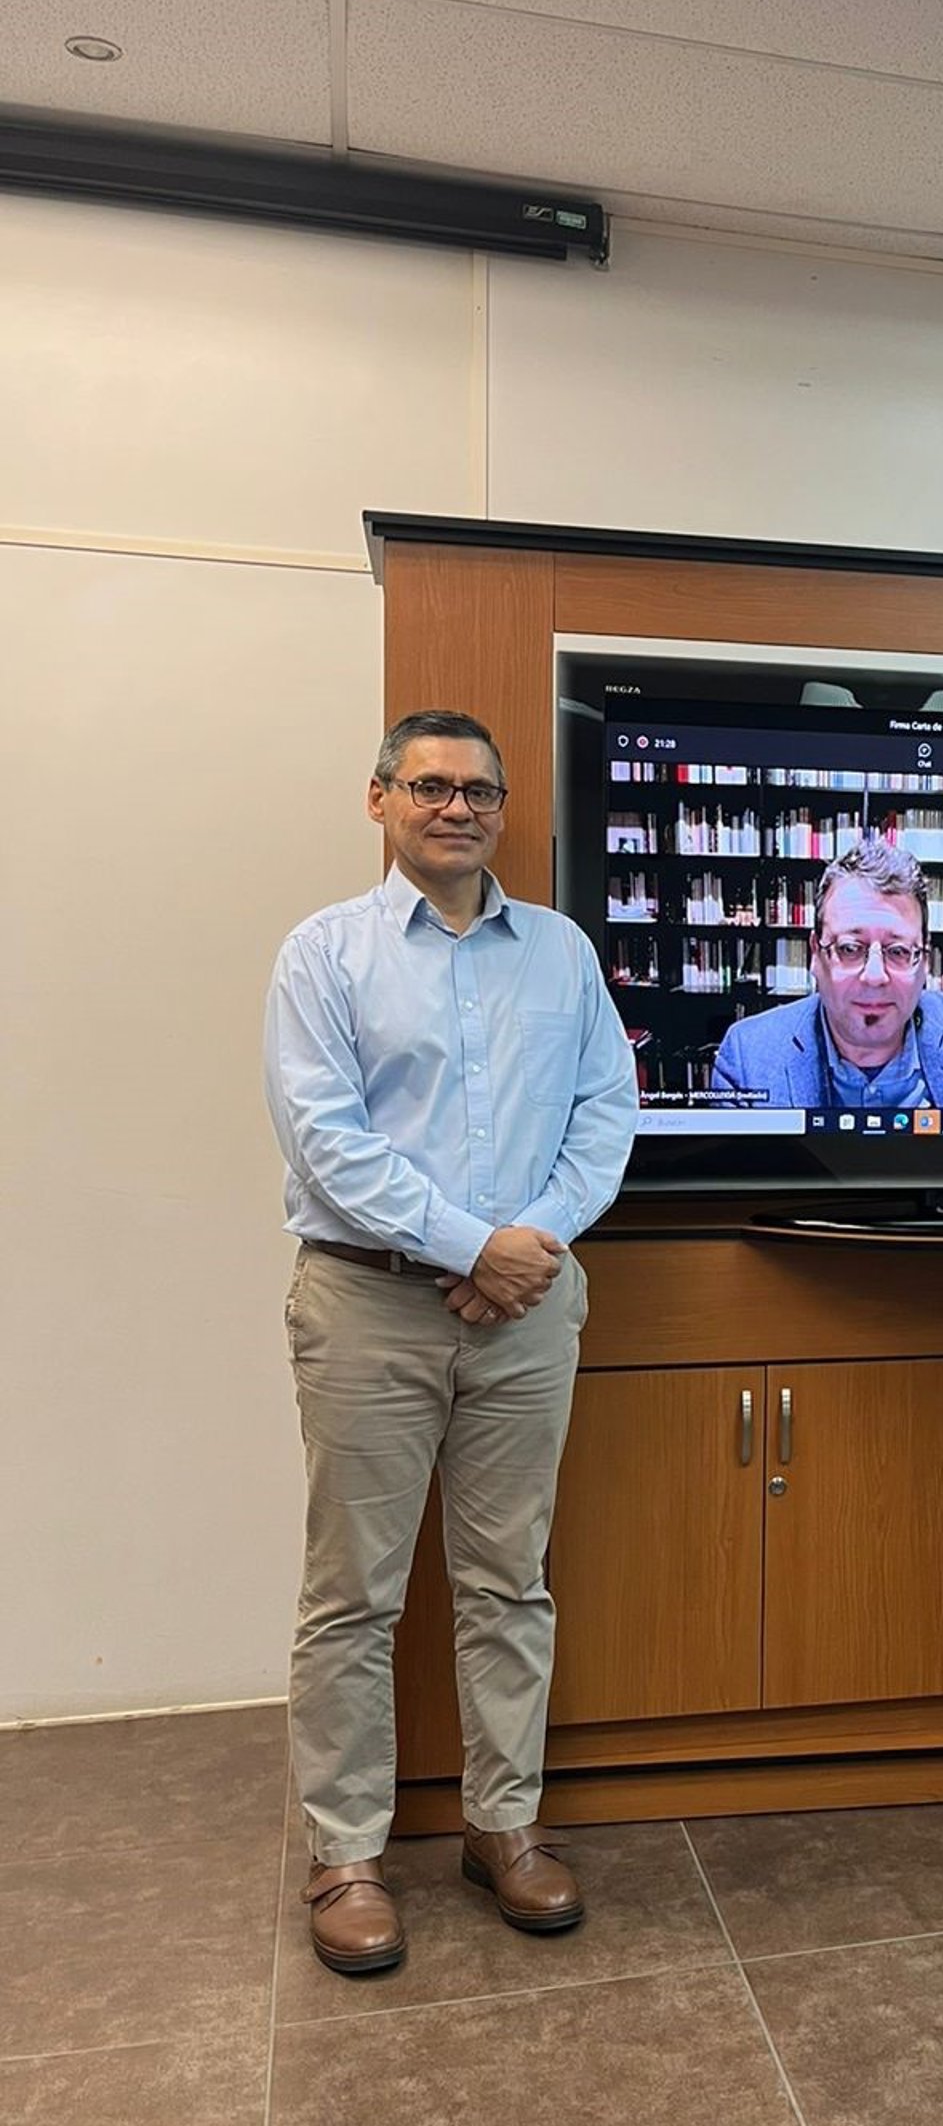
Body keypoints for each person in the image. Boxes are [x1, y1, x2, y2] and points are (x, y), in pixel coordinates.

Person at [266, 711, 636, 1974]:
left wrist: (525, 1244)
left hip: (527, 1307)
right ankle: (346, 1854)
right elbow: (326, 1141)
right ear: (379, 799)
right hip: (369, 1306)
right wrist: (471, 1245)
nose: (456, 807)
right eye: (428, 785)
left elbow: (606, 1112)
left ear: (502, 810)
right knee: (352, 1594)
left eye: (478, 790)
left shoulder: (562, 953)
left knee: (508, 1580)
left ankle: (504, 1825)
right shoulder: (325, 954)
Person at [711, 836, 943, 1113]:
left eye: (898, 951)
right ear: (815, 954)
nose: (874, 976)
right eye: (850, 948)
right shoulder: (747, 1056)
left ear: (925, 961)